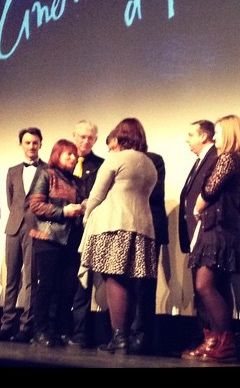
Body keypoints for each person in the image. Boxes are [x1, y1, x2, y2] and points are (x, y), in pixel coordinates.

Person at [80, 117, 157, 355]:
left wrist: (86, 217)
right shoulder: (149, 163)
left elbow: (97, 194)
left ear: (121, 136)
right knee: (130, 280)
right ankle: (125, 336)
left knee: (114, 278)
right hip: (142, 227)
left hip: (115, 225)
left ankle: (119, 337)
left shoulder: (116, 158)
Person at [185, 114, 240, 362]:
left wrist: (197, 208)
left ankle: (226, 341)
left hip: (219, 230)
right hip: (216, 229)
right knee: (210, 285)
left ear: (229, 134)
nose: (216, 136)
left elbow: (210, 189)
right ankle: (216, 341)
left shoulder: (229, 158)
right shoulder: (229, 159)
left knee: (204, 285)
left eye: (219, 132)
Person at [106, 130, 169, 355]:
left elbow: (152, 194)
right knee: (120, 280)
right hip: (122, 226)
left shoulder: (152, 161)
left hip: (146, 227)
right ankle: (120, 335)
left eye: (113, 146)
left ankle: (142, 336)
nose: (112, 152)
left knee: (144, 284)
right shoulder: (114, 162)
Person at [0, 127, 45, 343]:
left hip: (35, 228)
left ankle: (26, 327)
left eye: (35, 142)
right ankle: (6, 325)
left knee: (31, 279)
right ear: (21, 144)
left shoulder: (48, 170)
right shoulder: (12, 171)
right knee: (11, 278)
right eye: (27, 142)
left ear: (40, 144)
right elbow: (11, 201)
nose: (31, 146)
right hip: (13, 228)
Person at [28, 139, 85, 347]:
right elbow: (35, 206)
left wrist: (83, 207)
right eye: (68, 154)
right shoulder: (46, 174)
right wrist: (63, 212)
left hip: (72, 240)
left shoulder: (77, 181)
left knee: (68, 287)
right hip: (48, 238)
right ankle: (40, 330)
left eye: (74, 154)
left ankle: (61, 330)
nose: (73, 157)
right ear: (57, 154)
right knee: (46, 286)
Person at [178, 119, 220, 359]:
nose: (187, 139)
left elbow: (210, 194)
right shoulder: (201, 161)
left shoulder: (216, 158)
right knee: (202, 291)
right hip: (197, 234)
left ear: (204, 136)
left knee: (209, 288)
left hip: (209, 233)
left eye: (191, 134)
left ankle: (215, 341)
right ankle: (207, 339)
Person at [65, 119, 104, 348]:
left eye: (90, 137)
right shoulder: (61, 163)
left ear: (95, 140)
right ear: (74, 136)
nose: (86, 141)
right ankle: (58, 330)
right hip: (62, 230)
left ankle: (80, 334)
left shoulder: (101, 165)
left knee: (83, 282)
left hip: (87, 229)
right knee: (61, 281)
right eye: (82, 136)